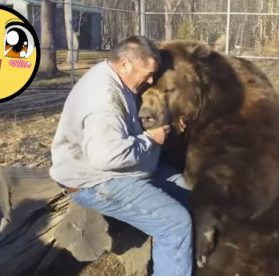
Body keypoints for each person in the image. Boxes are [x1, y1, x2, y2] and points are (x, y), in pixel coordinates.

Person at [49, 35, 192, 276]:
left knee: (191, 192)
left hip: (123, 171)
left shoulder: (113, 77)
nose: (150, 80)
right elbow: (107, 157)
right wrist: (151, 139)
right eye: (146, 74)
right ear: (125, 63)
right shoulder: (104, 97)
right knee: (175, 223)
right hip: (96, 181)